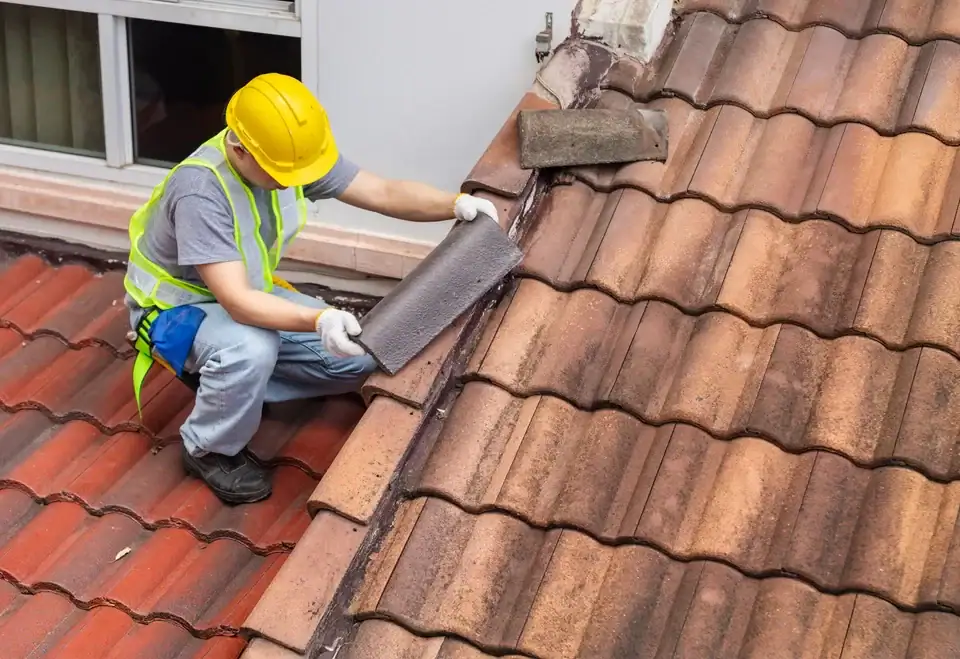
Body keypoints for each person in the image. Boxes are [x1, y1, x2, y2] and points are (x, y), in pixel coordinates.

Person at [123, 72, 499, 505]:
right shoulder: (200, 192)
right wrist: (317, 318)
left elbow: (381, 190)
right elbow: (237, 303)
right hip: (178, 311)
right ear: (240, 151)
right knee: (250, 349)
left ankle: (239, 382)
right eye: (283, 174)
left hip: (246, 294)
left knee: (358, 358)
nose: (292, 180)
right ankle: (209, 447)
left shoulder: (287, 155)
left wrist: (453, 204)